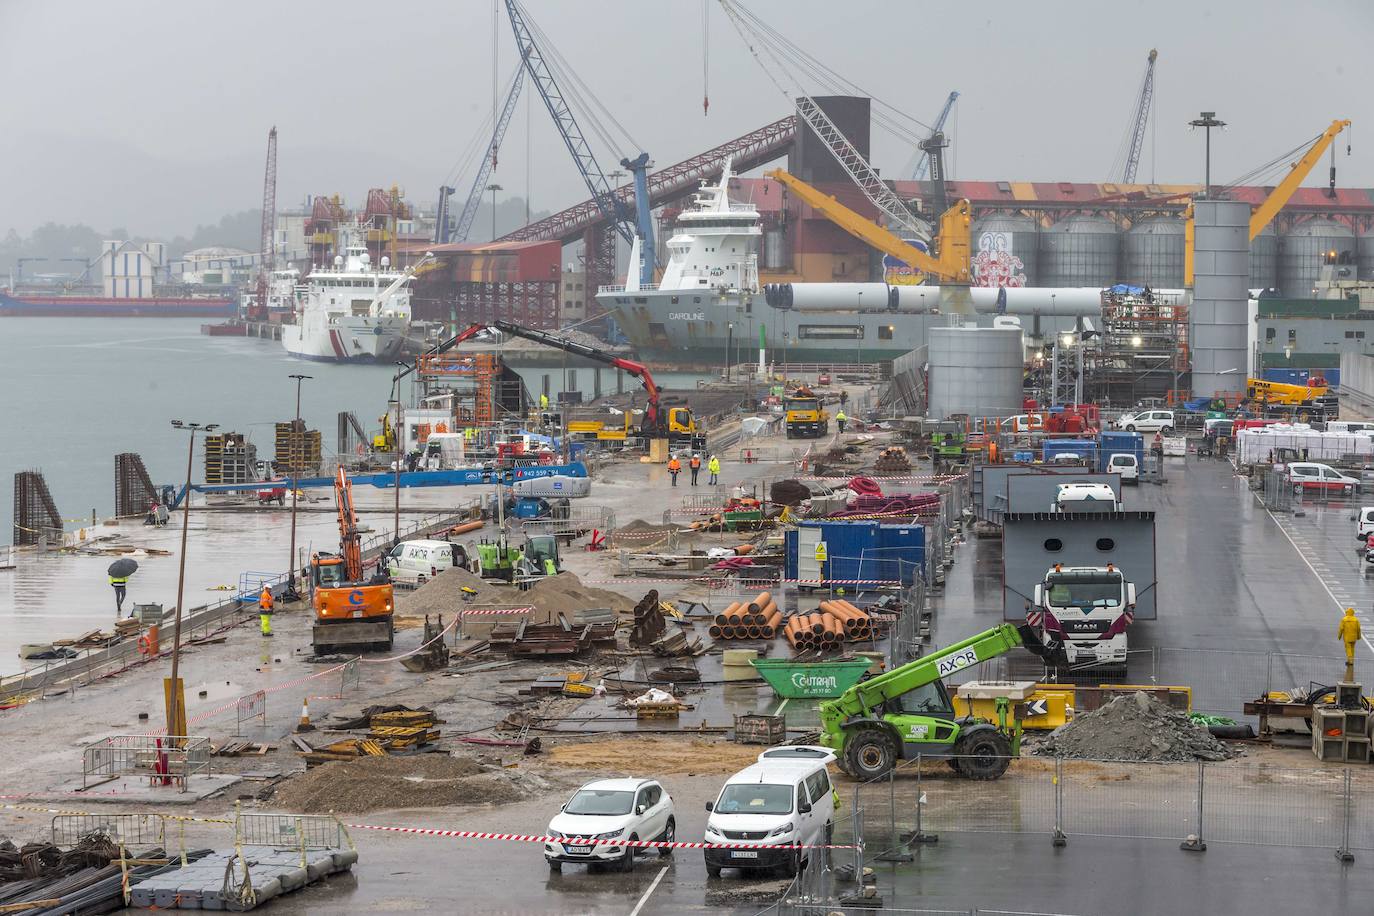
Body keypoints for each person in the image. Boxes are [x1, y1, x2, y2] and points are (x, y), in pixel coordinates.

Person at [1340, 607, 1361, 676]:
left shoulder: (1344, 619)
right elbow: (1358, 629)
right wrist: (1359, 636)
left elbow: (1341, 628)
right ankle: (1351, 660)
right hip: (1354, 637)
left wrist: (1339, 636)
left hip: (1347, 637)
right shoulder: (1356, 620)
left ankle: (1350, 660)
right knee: (1352, 649)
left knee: (1348, 649)